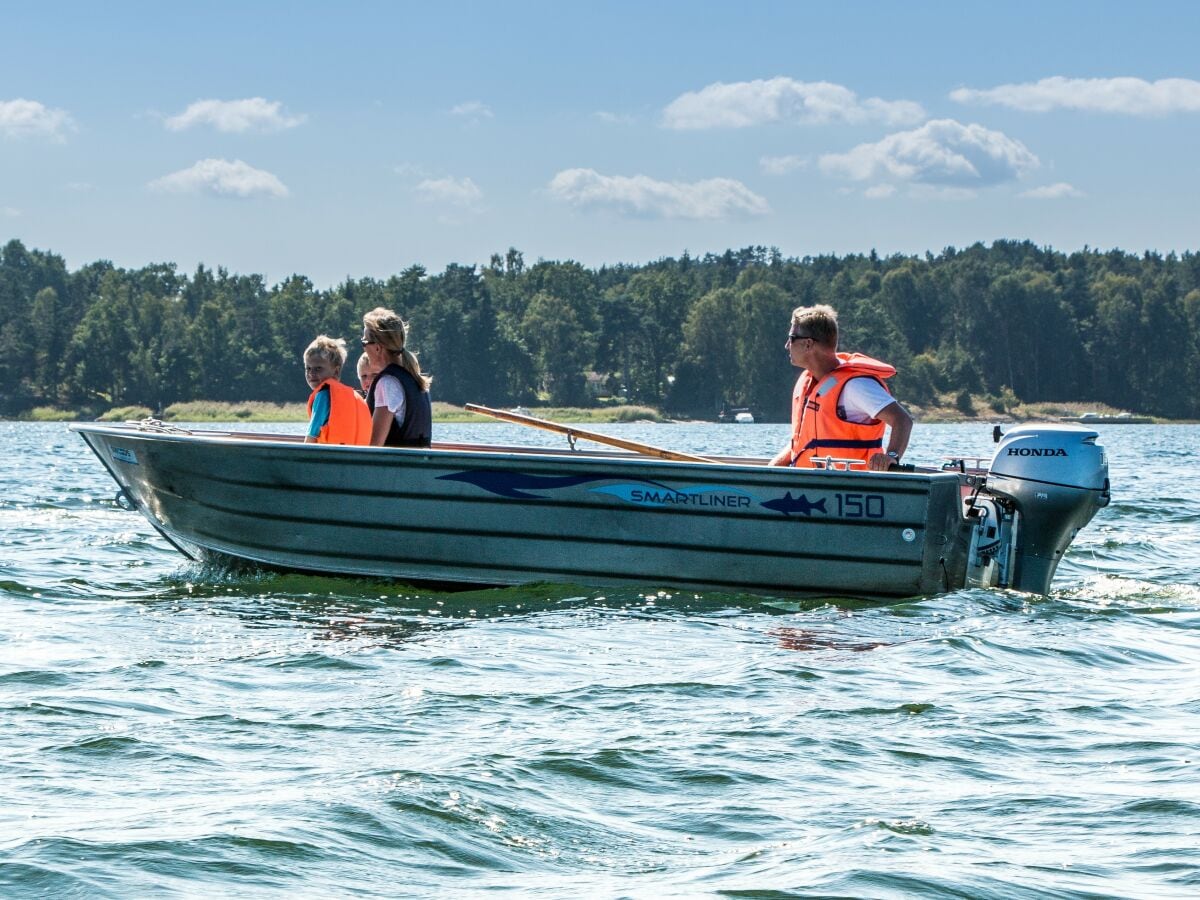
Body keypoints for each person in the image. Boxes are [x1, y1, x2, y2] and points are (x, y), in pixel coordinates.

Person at [769, 304, 912, 471]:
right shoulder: (808, 381)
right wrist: (768, 473)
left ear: (808, 344)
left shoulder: (855, 386)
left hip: (853, 487)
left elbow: (902, 420)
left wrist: (892, 456)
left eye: (792, 338)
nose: (787, 345)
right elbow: (802, 444)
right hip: (812, 486)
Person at [360, 307, 433, 447]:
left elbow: (374, 445)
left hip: (395, 467)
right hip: (416, 464)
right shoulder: (413, 378)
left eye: (364, 342)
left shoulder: (387, 383)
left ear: (377, 348)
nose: (363, 348)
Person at [303, 335, 372, 445]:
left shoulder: (323, 395)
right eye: (308, 368)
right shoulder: (356, 397)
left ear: (336, 371)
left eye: (318, 368)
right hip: (354, 459)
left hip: (329, 459)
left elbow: (311, 436)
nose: (311, 373)